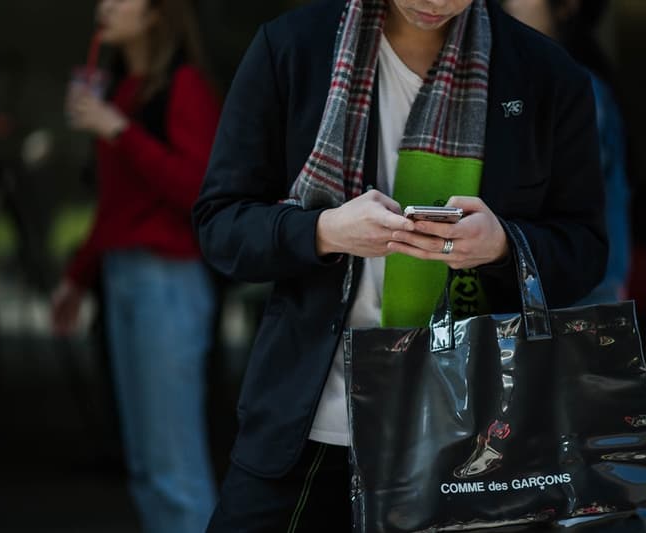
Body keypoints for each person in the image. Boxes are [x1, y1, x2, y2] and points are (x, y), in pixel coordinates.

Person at [193, 0, 606, 530]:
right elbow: (220, 222)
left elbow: (586, 247)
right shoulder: (295, 47)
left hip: (472, 434)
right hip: (312, 422)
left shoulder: (544, 74)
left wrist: (503, 245)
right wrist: (324, 231)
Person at [50, 0, 221, 531]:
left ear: (157, 13)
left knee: (174, 464)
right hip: (125, 274)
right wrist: (77, 279)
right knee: (146, 463)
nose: (106, 6)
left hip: (168, 278)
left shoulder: (183, 86)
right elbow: (115, 206)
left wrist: (120, 132)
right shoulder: (125, 90)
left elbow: (202, 192)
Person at [504, 0, 631, 304]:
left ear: (567, 6)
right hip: (573, 296)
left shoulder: (571, 87)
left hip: (573, 304)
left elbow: (577, 219)